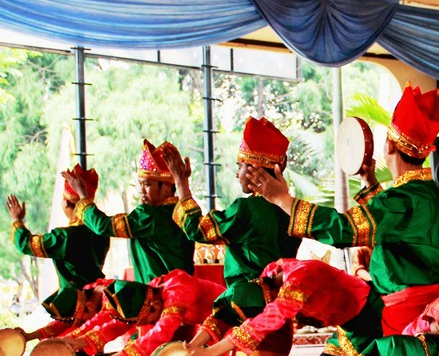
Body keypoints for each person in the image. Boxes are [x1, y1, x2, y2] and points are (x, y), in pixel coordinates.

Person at [248, 84, 439, 336]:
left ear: (389, 146)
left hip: (409, 317)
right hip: (438, 307)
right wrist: (371, 187)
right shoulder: (430, 192)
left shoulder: (401, 199)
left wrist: (284, 200)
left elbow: (344, 229)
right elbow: (404, 230)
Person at [176, 258, 384, 356]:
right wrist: (193, 347)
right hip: (343, 332)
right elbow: (224, 317)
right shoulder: (272, 273)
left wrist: (210, 353)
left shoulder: (298, 279)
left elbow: (263, 323)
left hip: (366, 319)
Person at [166, 117, 302, 288]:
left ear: (253, 169)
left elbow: (197, 230)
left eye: (240, 166)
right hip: (283, 295)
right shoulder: (291, 208)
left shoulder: (247, 209)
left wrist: (181, 182)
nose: (237, 174)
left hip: (250, 297)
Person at [57, 270, 224, 356]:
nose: (151, 323)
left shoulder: (177, 289)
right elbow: (118, 324)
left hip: (227, 331)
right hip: (202, 335)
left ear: (156, 306)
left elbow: (161, 331)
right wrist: (82, 340)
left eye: (149, 320)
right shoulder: (150, 292)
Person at [64, 140, 195, 283]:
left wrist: (83, 197)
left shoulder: (150, 216)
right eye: (141, 184)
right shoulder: (184, 214)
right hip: (182, 293)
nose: (142, 191)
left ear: (166, 187)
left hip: (159, 298)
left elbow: (103, 226)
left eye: (147, 185)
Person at [7, 164, 109, 289]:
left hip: (74, 301)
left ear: (66, 203)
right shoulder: (102, 232)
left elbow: (26, 244)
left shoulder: (65, 237)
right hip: (98, 297)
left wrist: (17, 220)